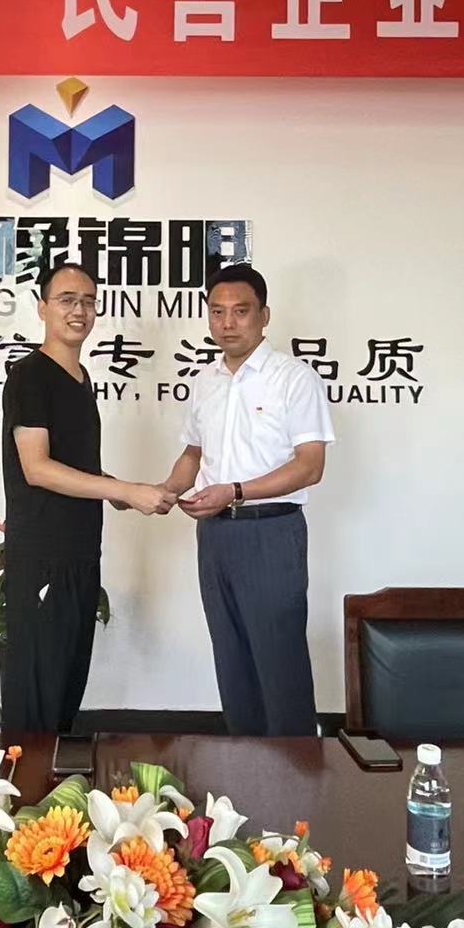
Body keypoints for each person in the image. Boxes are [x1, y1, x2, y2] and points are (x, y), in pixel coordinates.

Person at [160, 263, 334, 736]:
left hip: (270, 532)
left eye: (240, 311)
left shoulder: (293, 377)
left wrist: (234, 491)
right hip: (215, 535)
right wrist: (165, 492)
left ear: (264, 315)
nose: (227, 323)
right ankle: (245, 769)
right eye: (217, 312)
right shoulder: (206, 380)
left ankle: (296, 770)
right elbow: (193, 453)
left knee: (280, 662)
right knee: (231, 658)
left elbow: (310, 466)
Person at [0, 259, 173, 732]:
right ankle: (21, 780)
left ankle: (52, 780)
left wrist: (120, 493)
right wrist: (123, 489)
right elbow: (36, 468)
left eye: (88, 302)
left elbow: (73, 463)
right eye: (67, 300)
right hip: (43, 559)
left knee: (66, 688)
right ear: (42, 308)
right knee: (36, 698)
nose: (79, 311)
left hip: (79, 553)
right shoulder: (29, 376)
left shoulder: (80, 378)